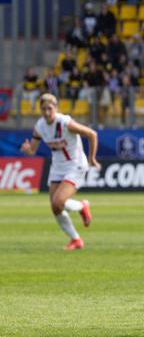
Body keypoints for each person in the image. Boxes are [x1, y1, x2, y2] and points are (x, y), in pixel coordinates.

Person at [20, 93, 99, 250]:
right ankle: (76, 239)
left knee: (58, 201)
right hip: (58, 167)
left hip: (75, 165)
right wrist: (27, 149)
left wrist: (92, 159)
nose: (47, 112)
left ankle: (82, 206)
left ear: (56, 108)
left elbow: (92, 134)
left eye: (50, 108)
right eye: (43, 109)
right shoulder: (40, 126)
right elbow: (33, 150)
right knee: (55, 207)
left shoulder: (64, 122)